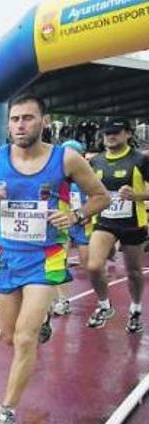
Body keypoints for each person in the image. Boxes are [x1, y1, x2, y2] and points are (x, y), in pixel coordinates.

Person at [0, 94, 109, 424]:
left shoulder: (66, 158)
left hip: (46, 256)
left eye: (28, 118)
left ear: (44, 121)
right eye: (14, 119)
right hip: (4, 256)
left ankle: (6, 412)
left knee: (25, 339)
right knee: (9, 337)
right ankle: (39, 321)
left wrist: (75, 215)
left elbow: (101, 196)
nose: (20, 125)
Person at [84, 118, 149, 332]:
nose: (110, 136)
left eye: (116, 132)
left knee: (134, 272)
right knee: (93, 266)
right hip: (104, 222)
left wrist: (136, 195)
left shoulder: (141, 160)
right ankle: (104, 305)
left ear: (128, 134)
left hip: (132, 223)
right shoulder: (96, 161)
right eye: (106, 133)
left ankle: (136, 308)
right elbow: (91, 192)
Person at [52, 140, 92, 316]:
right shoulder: (58, 175)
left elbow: (99, 197)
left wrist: (87, 214)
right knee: (60, 263)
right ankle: (62, 300)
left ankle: (101, 297)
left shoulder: (86, 175)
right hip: (65, 225)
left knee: (90, 265)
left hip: (83, 224)